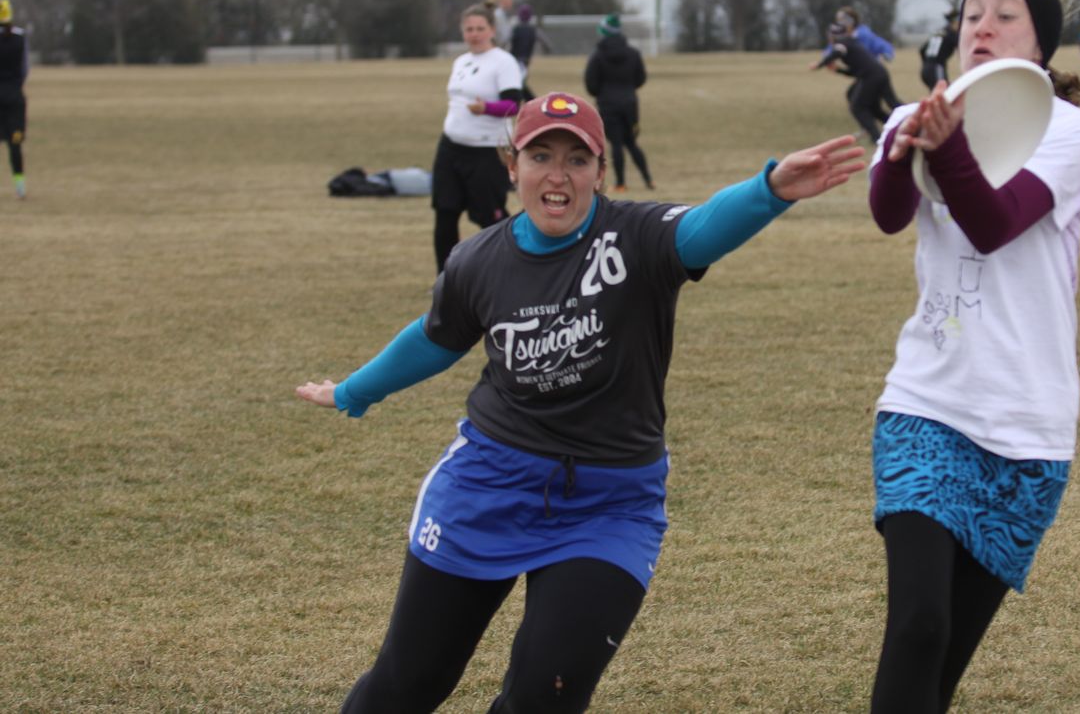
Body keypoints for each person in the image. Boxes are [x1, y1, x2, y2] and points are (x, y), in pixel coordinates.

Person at [295, 91, 865, 714]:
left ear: (600, 171)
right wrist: (353, 391)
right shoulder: (478, 260)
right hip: (488, 484)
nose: (558, 176)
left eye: (577, 159)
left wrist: (770, 190)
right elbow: (434, 339)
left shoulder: (637, 238)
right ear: (511, 166)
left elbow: (703, 228)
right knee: (408, 685)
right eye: (540, 156)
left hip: (610, 505)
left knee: (546, 697)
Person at [865, 0, 1080, 712]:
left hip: (1029, 426)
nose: (983, 27)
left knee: (941, 669)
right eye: (971, 15)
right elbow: (888, 214)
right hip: (927, 405)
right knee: (919, 627)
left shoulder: (1068, 127)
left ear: (1040, 44)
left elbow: (996, 223)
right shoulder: (912, 115)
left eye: (1005, 14)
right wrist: (906, 150)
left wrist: (947, 149)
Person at [432, 3, 524, 272]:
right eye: (469, 29)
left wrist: (486, 108)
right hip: (451, 147)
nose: (474, 34)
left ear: (492, 30)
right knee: (445, 213)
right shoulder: (461, 61)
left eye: (480, 28)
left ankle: (510, 272)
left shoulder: (503, 62)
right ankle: (446, 279)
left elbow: (513, 105)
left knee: (490, 217)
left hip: (486, 151)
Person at [584, 14, 653, 193]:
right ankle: (648, 180)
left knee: (616, 144)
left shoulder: (598, 56)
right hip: (630, 104)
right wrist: (627, 89)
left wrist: (603, 92)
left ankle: (621, 183)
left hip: (607, 104)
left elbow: (591, 84)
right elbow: (641, 78)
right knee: (631, 142)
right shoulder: (633, 53)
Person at [812, 19, 898, 143]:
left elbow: (837, 52)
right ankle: (898, 129)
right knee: (876, 108)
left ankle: (877, 138)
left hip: (872, 76)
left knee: (858, 107)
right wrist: (838, 70)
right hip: (877, 73)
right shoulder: (851, 43)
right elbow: (855, 72)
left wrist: (819, 64)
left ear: (831, 36)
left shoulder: (843, 43)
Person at [0, 0, 27, 200]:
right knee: (15, 144)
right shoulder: (20, 38)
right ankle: (20, 188)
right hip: (15, 98)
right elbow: (25, 69)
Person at [508, 3, 551, 102]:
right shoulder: (534, 30)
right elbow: (546, 43)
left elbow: (507, 43)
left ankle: (530, 101)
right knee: (519, 82)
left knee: (518, 82)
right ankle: (531, 101)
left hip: (514, 59)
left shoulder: (515, 29)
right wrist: (547, 49)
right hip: (525, 60)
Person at [917, 11, 959, 91]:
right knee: (944, 92)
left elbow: (922, 50)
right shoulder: (952, 34)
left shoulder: (939, 32)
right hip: (937, 68)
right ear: (954, 22)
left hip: (925, 69)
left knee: (937, 93)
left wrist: (927, 63)